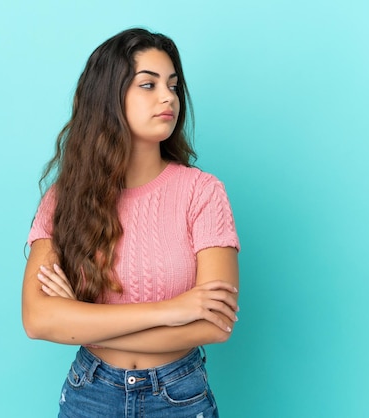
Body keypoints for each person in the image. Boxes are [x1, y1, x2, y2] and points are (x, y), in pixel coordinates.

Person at [22, 27, 240, 417]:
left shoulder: (202, 192)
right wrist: (171, 310)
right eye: (148, 84)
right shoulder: (64, 198)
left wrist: (83, 319)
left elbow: (215, 325)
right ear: (108, 96)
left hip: (179, 396)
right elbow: (39, 320)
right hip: (91, 393)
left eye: (172, 85)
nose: (167, 97)